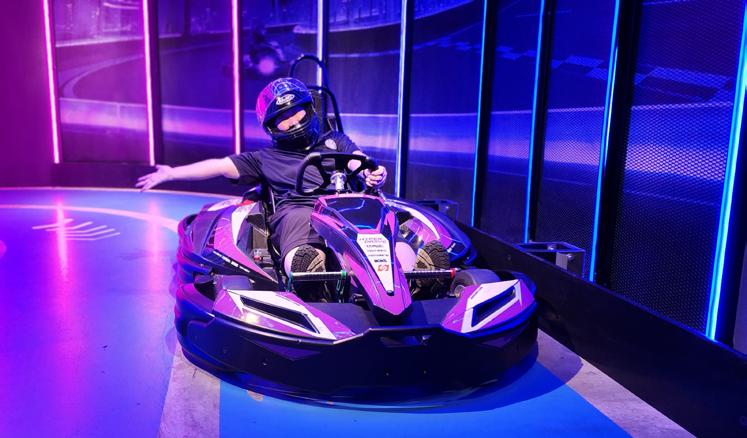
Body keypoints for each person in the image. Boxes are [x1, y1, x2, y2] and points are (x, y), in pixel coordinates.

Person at [137, 77, 387, 297]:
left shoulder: (334, 140)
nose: (293, 121)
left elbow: (359, 160)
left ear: (309, 109)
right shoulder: (263, 159)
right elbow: (219, 166)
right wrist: (172, 173)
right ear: (272, 127)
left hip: (344, 209)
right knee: (300, 232)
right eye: (283, 118)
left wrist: (373, 172)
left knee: (387, 222)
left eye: (296, 112)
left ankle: (401, 274)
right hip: (300, 212)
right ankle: (308, 276)